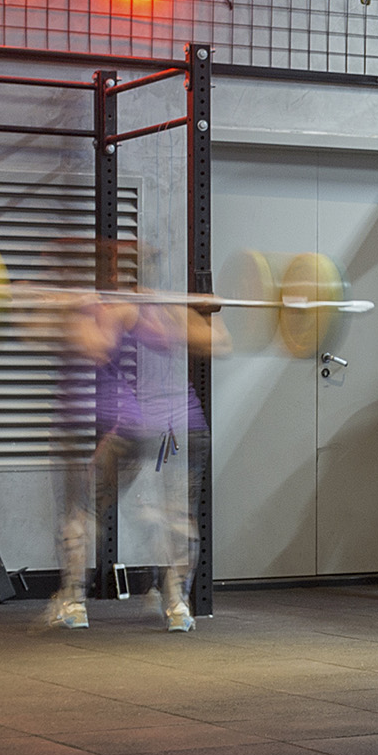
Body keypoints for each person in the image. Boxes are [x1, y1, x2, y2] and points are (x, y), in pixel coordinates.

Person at [45, 260, 225, 631]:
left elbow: (99, 346)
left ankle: (87, 600)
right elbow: (212, 341)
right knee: (116, 510)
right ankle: (168, 603)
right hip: (152, 428)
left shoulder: (150, 308)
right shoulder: (160, 309)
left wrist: (209, 312)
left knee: (113, 511)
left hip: (167, 429)